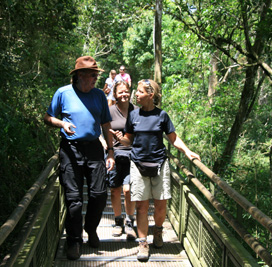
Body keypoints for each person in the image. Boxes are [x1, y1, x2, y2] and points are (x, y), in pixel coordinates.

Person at [110, 79, 200, 262]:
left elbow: (173, 139)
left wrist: (188, 151)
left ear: (150, 95)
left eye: (140, 92)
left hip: (159, 164)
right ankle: (142, 243)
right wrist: (120, 139)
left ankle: (157, 232)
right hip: (137, 164)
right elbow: (130, 140)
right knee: (142, 206)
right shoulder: (133, 116)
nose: (136, 94)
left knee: (160, 204)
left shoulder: (162, 116)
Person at [43, 56, 115, 261]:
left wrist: (110, 151)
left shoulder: (99, 95)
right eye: (92, 75)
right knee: (73, 199)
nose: (95, 79)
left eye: (96, 75)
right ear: (79, 76)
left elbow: (106, 125)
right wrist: (61, 124)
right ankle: (74, 241)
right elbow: (47, 117)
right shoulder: (63, 93)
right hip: (70, 149)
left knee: (100, 194)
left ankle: (90, 229)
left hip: (94, 148)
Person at [107, 81, 138, 240]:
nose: (124, 94)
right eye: (120, 92)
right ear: (115, 94)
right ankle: (118, 222)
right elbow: (100, 131)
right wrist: (108, 149)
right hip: (114, 155)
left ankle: (129, 222)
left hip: (133, 155)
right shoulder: (109, 111)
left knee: (129, 189)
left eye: (126, 91)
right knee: (115, 190)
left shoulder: (137, 111)